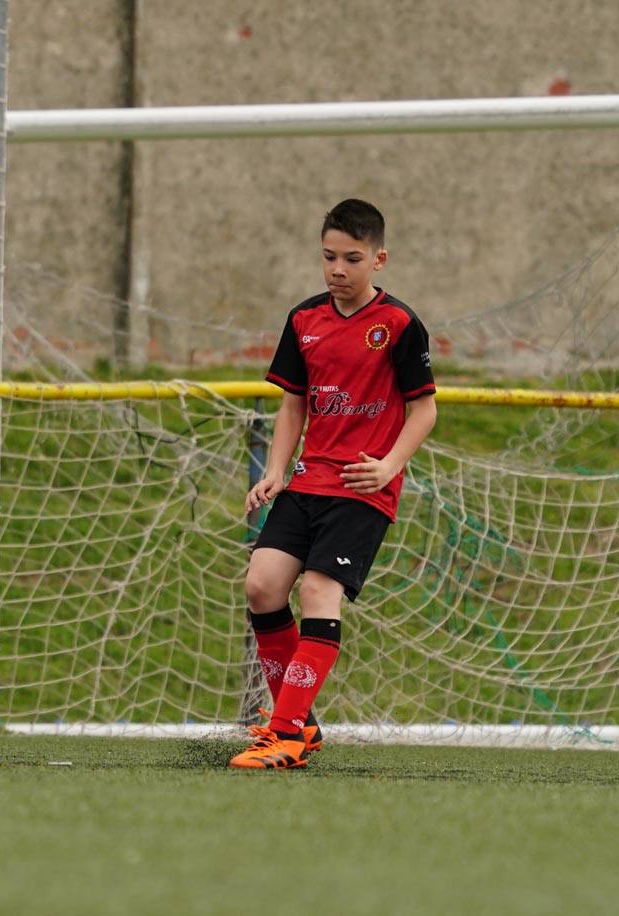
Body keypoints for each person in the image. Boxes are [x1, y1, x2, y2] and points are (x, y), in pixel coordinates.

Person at [231, 198, 437, 770]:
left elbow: (424, 410)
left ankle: (287, 734)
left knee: (319, 592)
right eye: (328, 257)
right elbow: (294, 403)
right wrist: (276, 470)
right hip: (309, 478)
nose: (338, 269)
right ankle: (299, 722)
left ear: (379, 260)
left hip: (362, 485)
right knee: (263, 586)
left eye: (351, 258)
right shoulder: (304, 320)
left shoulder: (397, 325)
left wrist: (389, 466)